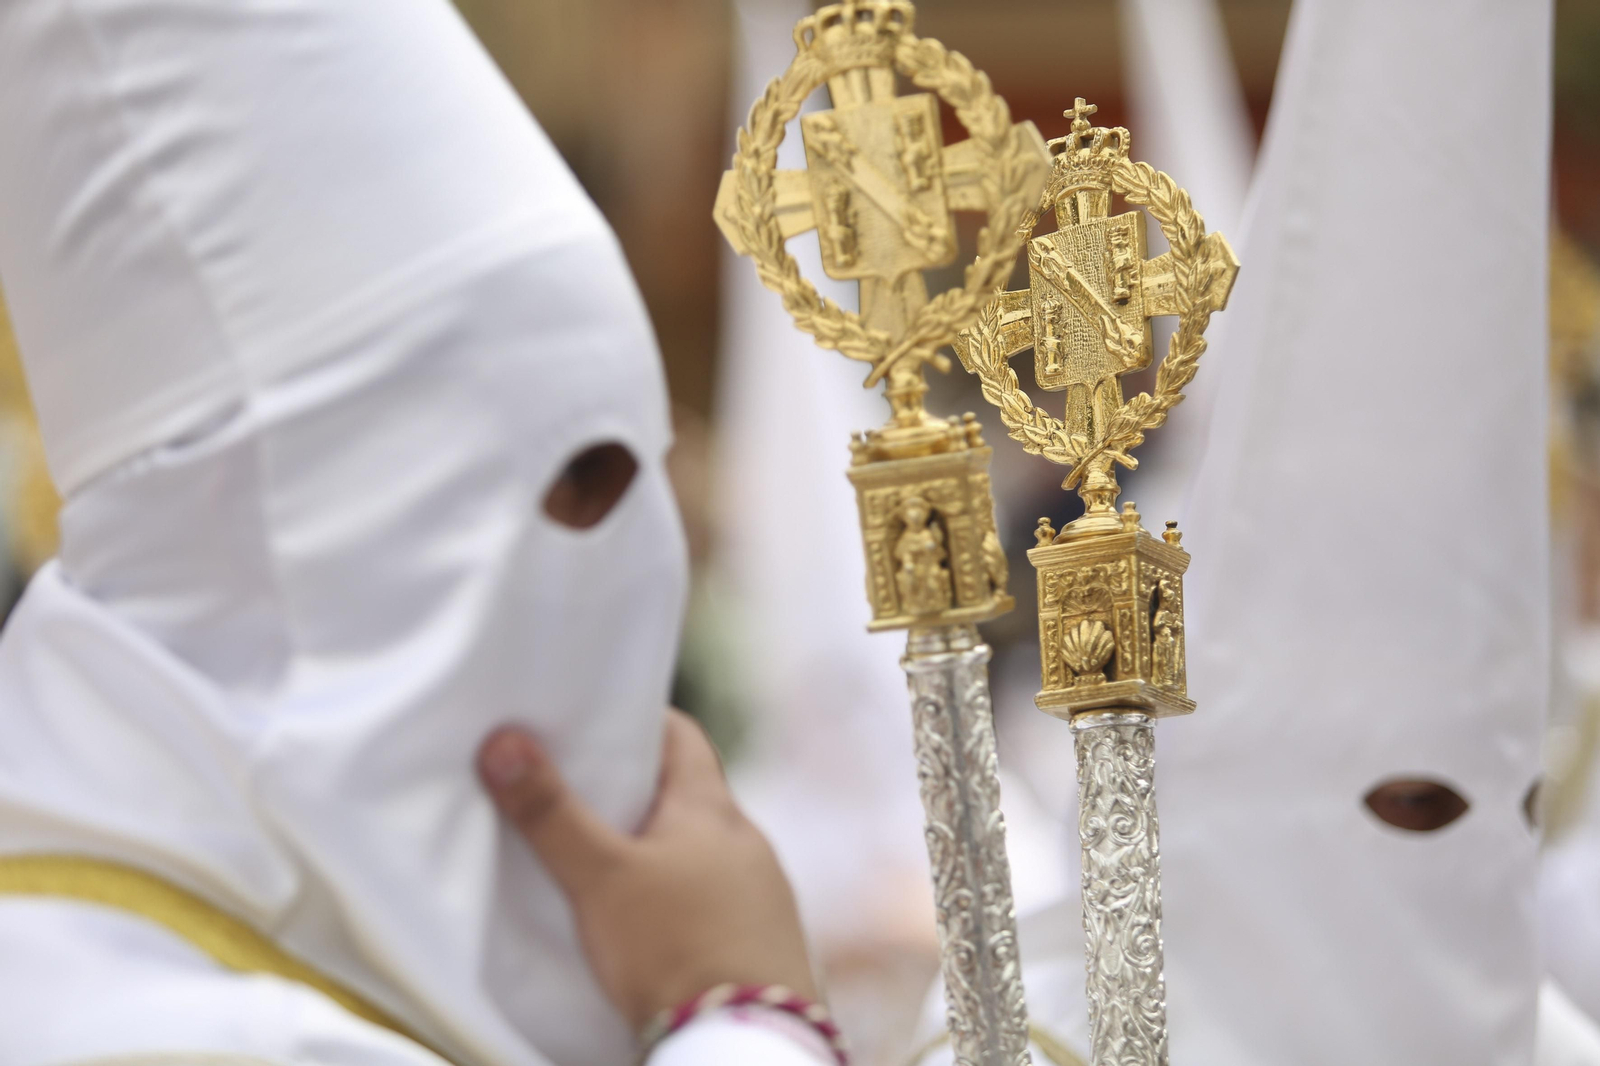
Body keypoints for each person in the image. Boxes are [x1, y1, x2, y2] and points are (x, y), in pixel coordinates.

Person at [0, 1, 834, 1063]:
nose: (632, 552)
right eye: (575, 478)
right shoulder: (133, 1023)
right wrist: (750, 1012)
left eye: (631, 470)